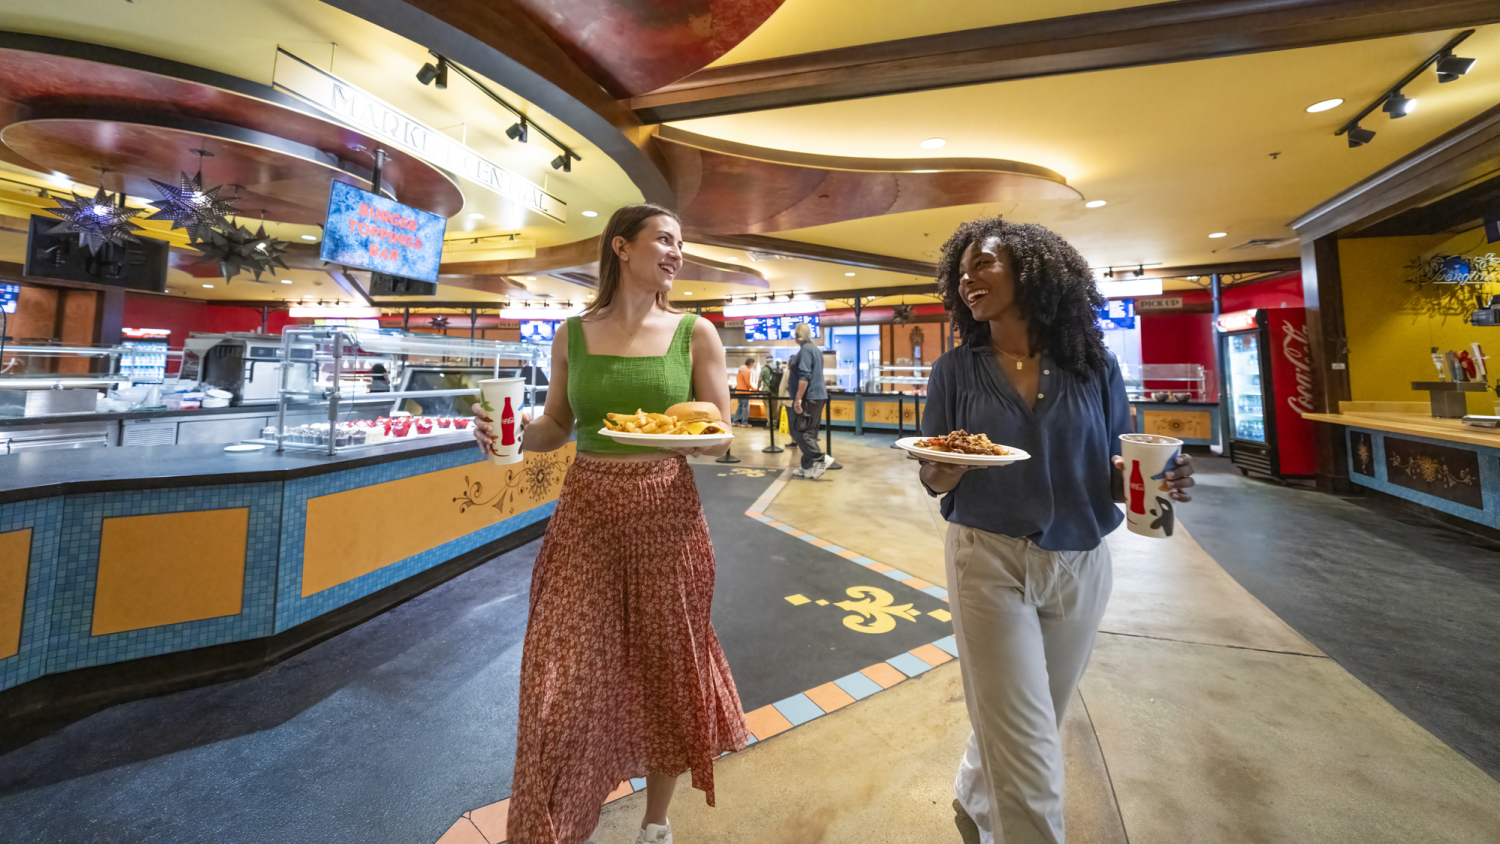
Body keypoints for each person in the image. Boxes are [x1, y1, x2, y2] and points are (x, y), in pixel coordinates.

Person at [471, 204, 749, 844]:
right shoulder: (570, 334)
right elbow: (556, 426)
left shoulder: (696, 333)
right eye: (665, 239)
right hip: (586, 513)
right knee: (560, 673)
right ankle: (557, 821)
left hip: (666, 513)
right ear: (621, 247)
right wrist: (507, 434)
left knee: (666, 666)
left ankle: (656, 822)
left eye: (681, 243)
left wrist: (693, 438)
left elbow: (720, 433)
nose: (677, 253)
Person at [917, 216, 1194, 844]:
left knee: (1040, 710)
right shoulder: (955, 370)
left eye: (983, 263)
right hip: (986, 557)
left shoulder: (1093, 366)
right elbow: (935, 475)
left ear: (1032, 272)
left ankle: (974, 786)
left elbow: (1115, 469)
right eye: (960, 270)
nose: (966, 279)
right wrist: (946, 467)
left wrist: (1160, 479)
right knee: (1026, 736)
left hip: (1081, 560)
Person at [788, 323, 832, 479]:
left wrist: (798, 398)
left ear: (798, 335)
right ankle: (807, 468)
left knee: (798, 431)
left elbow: (804, 376)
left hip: (809, 397)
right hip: (819, 396)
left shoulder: (805, 350)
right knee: (810, 432)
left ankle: (820, 459)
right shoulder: (815, 350)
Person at [732, 357, 754, 426]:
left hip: (738, 390)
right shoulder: (747, 371)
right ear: (750, 364)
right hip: (744, 392)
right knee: (745, 407)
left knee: (740, 406)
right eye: (753, 364)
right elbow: (747, 383)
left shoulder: (741, 369)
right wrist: (753, 389)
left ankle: (735, 421)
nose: (753, 366)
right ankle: (744, 423)